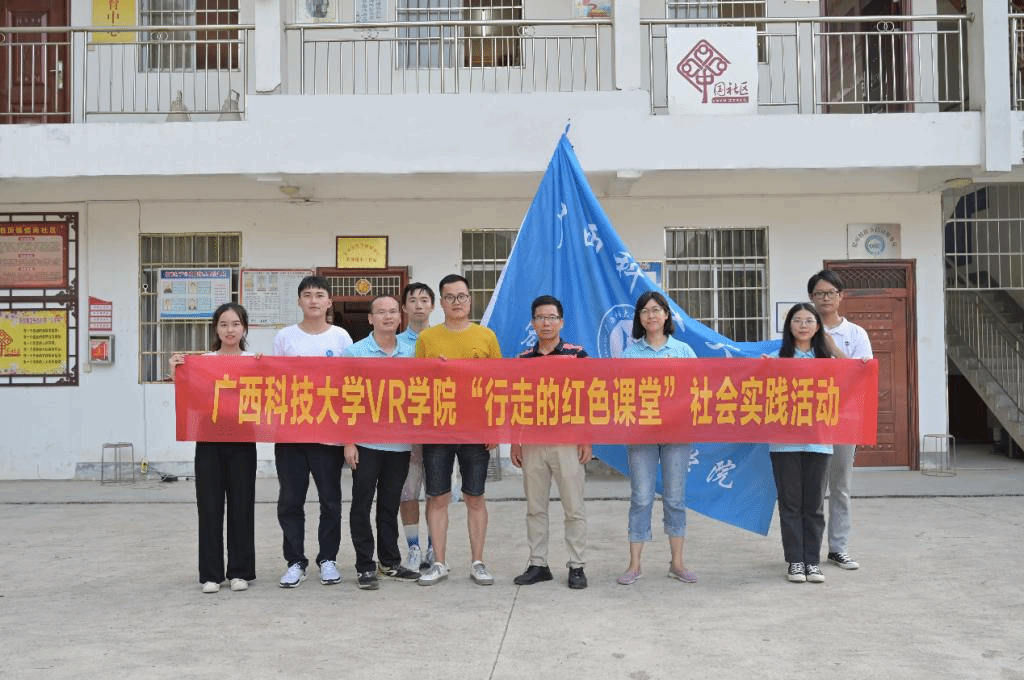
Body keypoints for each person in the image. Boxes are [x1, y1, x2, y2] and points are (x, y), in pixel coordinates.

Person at [414, 274, 502, 586]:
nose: (456, 302)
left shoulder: (486, 336)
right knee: (437, 497)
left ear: (470, 299)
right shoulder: (427, 339)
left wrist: (494, 427)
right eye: (450, 297)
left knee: (474, 496)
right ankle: (439, 562)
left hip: (476, 429)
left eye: (461, 296)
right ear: (441, 303)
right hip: (438, 429)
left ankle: (478, 562)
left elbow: (497, 384)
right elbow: (417, 385)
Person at [170, 302, 257, 594]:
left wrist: (265, 367)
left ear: (244, 328)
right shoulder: (203, 362)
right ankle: (211, 574)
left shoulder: (253, 361)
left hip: (243, 440)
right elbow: (190, 396)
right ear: (216, 329)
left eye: (236, 324)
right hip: (208, 440)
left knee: (241, 505)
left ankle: (240, 572)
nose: (230, 330)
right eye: (224, 324)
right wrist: (177, 371)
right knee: (208, 507)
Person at [273, 275, 353, 588]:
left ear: (329, 301)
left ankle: (328, 559)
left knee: (330, 501)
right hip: (291, 434)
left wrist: (348, 436)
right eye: (307, 295)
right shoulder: (285, 337)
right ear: (299, 301)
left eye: (320, 295)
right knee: (290, 501)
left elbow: (350, 384)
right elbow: (273, 381)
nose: (314, 300)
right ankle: (295, 561)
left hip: (328, 433)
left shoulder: (341, 337)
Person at [509, 295, 591, 590]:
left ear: (561, 322)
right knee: (535, 507)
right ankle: (538, 564)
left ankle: (577, 565)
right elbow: (516, 402)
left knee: (573, 506)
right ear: (533, 323)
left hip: (567, 441)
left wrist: (586, 438)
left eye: (551, 317)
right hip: (532, 441)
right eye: (541, 318)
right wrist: (515, 441)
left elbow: (587, 398)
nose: (546, 323)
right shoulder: (522, 359)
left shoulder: (577, 355)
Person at [617, 291, 698, 586]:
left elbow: (697, 388)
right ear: (639, 318)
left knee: (675, 498)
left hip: (677, 434)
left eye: (656, 310)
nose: (651, 316)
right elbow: (620, 393)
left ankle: (677, 563)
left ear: (666, 315)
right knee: (641, 497)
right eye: (645, 311)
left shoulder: (684, 351)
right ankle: (634, 564)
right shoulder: (629, 355)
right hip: (642, 435)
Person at [343, 295, 422, 590]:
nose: (388, 317)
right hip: (365, 444)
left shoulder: (413, 353)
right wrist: (348, 442)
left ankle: (389, 562)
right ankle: (365, 565)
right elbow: (344, 399)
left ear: (400, 317)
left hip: (400, 444)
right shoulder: (354, 353)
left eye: (392, 312)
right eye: (381, 312)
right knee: (361, 505)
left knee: (389, 505)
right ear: (370, 319)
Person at [808, 269, 873, 571]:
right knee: (812, 488)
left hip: (844, 419)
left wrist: (833, 349)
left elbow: (862, 375)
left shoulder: (856, 334)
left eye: (830, 293)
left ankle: (838, 548)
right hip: (810, 421)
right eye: (819, 294)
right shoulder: (802, 329)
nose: (825, 298)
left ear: (841, 296)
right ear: (811, 297)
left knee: (840, 487)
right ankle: (809, 551)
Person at [767, 302, 836, 584]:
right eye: (797, 320)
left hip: (819, 441)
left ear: (818, 326)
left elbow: (855, 374)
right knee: (790, 505)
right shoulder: (776, 358)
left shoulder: (828, 361)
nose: (803, 325)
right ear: (789, 326)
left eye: (809, 320)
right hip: (784, 443)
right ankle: (795, 561)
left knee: (814, 505)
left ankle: (813, 562)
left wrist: (833, 347)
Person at [396, 282, 436, 571]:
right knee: (407, 493)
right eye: (413, 300)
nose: (419, 305)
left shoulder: (443, 339)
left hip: (438, 431)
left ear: (433, 306)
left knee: (437, 492)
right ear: (404, 307)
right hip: (405, 433)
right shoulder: (395, 345)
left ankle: (435, 547)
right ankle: (413, 548)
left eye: (424, 300)